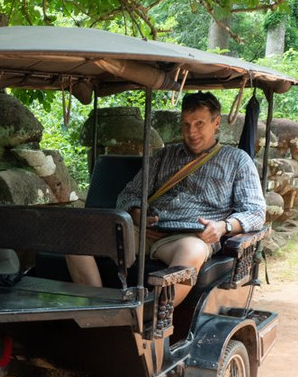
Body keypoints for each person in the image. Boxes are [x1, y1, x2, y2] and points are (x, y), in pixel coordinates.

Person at [66, 91, 266, 307]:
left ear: (216, 122)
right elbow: (130, 193)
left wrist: (223, 226)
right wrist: (135, 212)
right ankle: (98, 307)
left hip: (188, 237)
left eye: (199, 123)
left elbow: (255, 212)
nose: (192, 132)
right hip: (145, 231)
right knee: (76, 236)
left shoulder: (238, 160)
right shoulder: (164, 156)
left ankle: (151, 316)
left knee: (193, 251)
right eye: (186, 124)